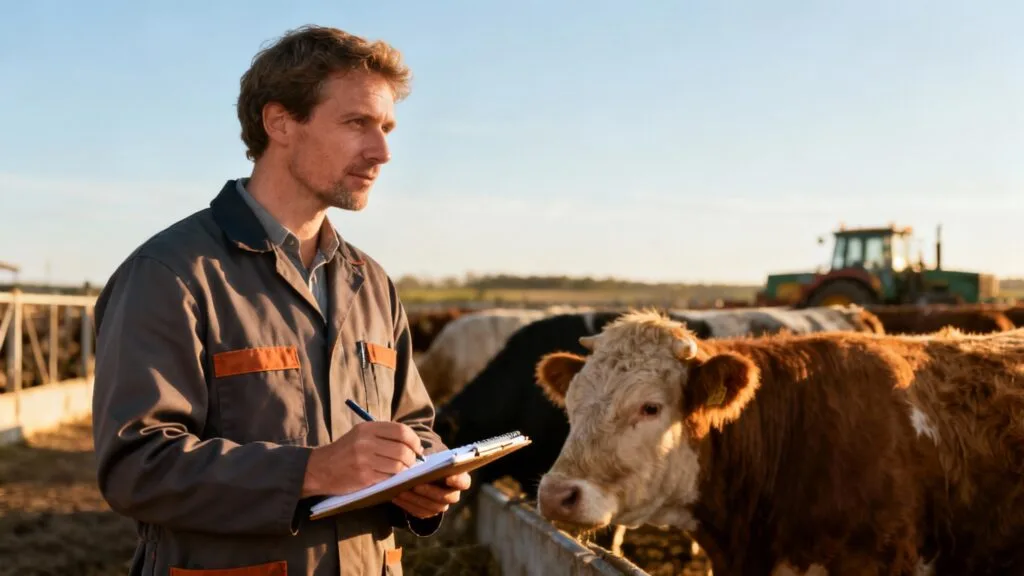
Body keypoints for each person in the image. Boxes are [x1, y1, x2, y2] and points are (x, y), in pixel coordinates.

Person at [91, 25, 470, 576]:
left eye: (387, 127)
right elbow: (135, 466)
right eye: (357, 122)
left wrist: (425, 471)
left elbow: (414, 422)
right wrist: (312, 470)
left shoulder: (373, 283)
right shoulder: (171, 273)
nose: (383, 150)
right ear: (280, 122)